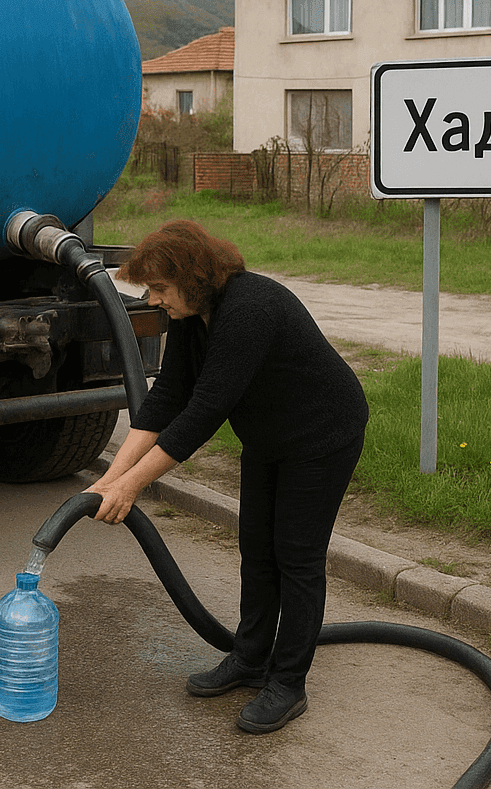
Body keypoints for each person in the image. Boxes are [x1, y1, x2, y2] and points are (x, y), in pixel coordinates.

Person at [86, 219, 369, 734]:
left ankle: (287, 684)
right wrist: (111, 475)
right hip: (268, 437)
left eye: (159, 288)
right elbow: (168, 397)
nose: (151, 300)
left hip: (322, 435)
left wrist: (130, 486)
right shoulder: (193, 314)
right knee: (256, 547)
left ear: (191, 279)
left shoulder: (248, 310)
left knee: (296, 555)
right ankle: (249, 658)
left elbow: (202, 414)